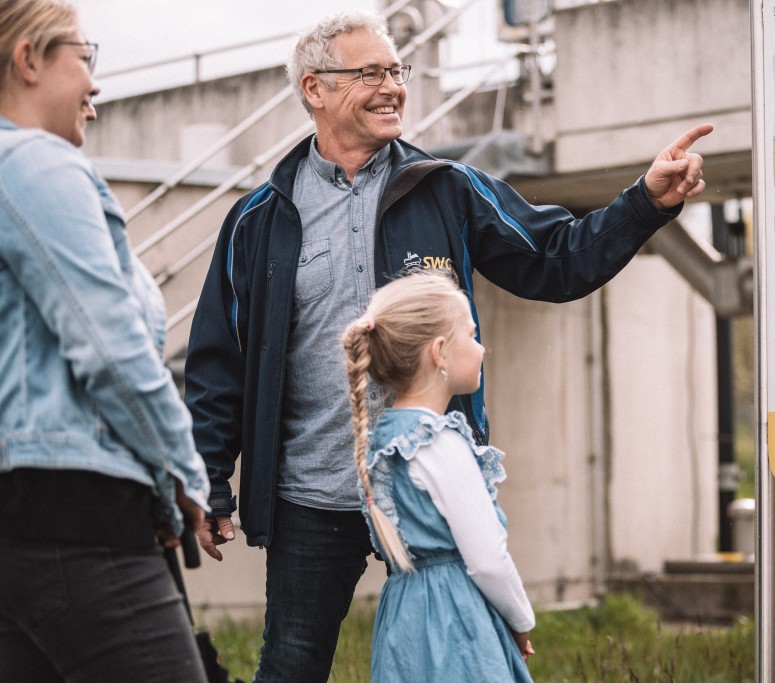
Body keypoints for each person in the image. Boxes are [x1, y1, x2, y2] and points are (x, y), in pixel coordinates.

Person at [185, 9, 711, 681]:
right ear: (314, 88)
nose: (392, 87)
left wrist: (644, 202)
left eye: (396, 70)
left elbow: (555, 260)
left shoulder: (447, 189)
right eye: (370, 73)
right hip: (311, 494)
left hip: (430, 488)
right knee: (289, 666)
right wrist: (210, 482)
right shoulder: (257, 219)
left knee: (450, 665)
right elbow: (218, 364)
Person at [0, 1, 211, 680]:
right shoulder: (34, 162)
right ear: (28, 60)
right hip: (74, 516)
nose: (94, 81)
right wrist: (183, 474)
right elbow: (110, 348)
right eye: (83, 56)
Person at [343, 271, 536, 682]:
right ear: (440, 352)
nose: (481, 348)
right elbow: (487, 559)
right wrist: (521, 620)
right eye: (471, 335)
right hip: (455, 619)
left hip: (403, 617)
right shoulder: (438, 443)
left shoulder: (384, 439)